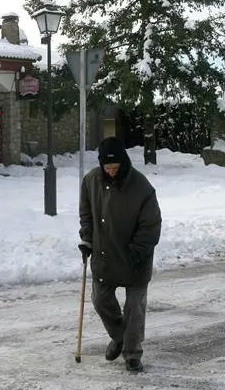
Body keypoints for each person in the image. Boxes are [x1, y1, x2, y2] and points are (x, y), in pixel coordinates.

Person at [78, 137, 162, 372]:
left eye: (115, 167)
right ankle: (119, 337)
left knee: (134, 309)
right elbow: (86, 214)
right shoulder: (91, 181)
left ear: (123, 163)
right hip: (105, 255)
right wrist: (87, 238)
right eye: (107, 167)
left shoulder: (142, 187)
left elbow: (151, 226)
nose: (111, 172)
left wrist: (135, 252)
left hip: (135, 258)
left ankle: (133, 354)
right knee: (100, 300)